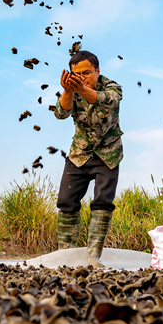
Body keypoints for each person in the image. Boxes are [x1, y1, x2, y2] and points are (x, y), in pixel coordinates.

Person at [54, 50, 123, 268]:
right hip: (79, 153)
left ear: (97, 70)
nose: (82, 77)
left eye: (86, 72)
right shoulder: (71, 89)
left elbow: (107, 102)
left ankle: (94, 257)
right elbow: (61, 114)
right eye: (77, 74)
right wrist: (67, 91)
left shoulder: (112, 87)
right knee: (66, 201)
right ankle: (66, 256)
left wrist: (80, 89)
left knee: (102, 202)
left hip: (108, 153)